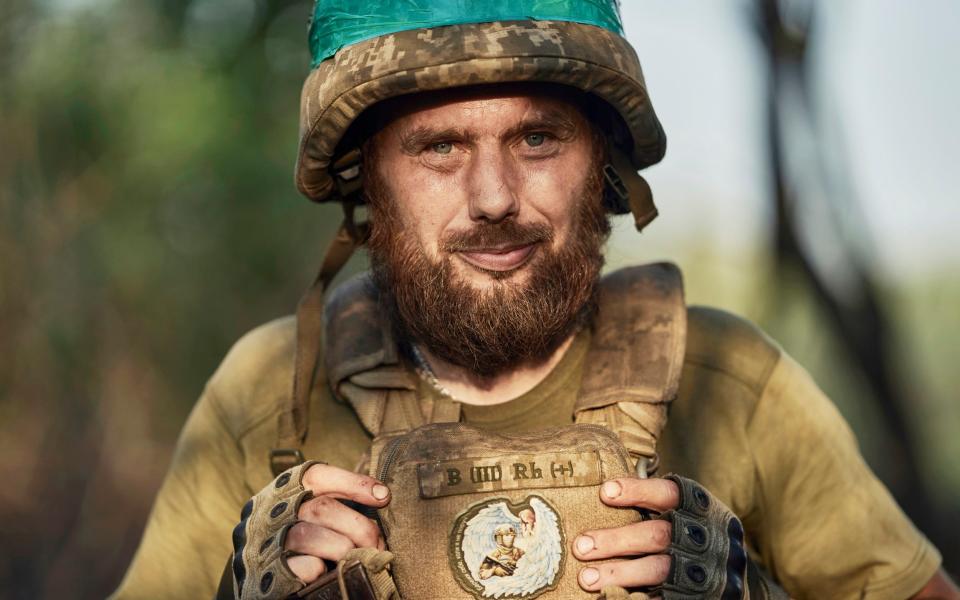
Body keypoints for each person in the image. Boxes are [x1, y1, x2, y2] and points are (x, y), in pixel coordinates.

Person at [111, 2, 958, 599]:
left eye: (538, 137)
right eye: (439, 147)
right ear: (369, 181)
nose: (492, 197)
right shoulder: (272, 396)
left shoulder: (728, 382)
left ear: (604, 163)